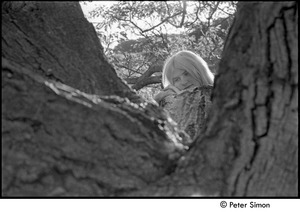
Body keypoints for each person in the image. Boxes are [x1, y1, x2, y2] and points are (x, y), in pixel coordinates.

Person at [154, 50, 214, 140]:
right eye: (177, 79)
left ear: (199, 70)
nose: (184, 82)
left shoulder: (218, 96)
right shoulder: (171, 107)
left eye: (186, 74)